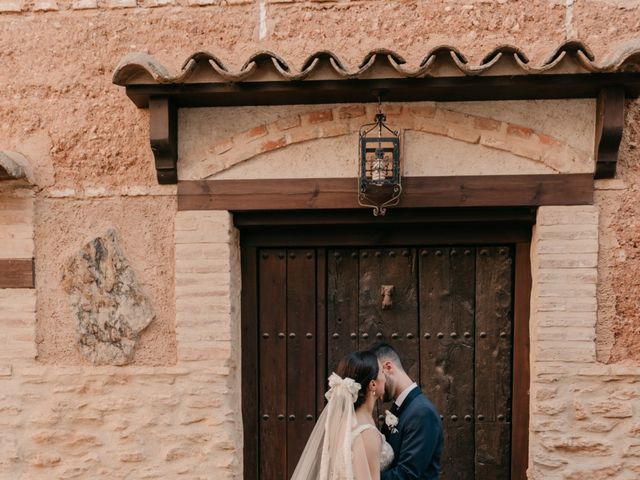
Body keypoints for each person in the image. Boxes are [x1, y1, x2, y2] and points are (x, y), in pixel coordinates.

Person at [291, 350, 394, 480]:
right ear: (373, 384)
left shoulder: (343, 423)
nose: (385, 376)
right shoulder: (367, 433)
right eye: (381, 372)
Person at [370, 343, 443, 480]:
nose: (374, 386)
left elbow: (408, 475)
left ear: (388, 367)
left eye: (376, 377)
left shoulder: (422, 412)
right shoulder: (399, 408)